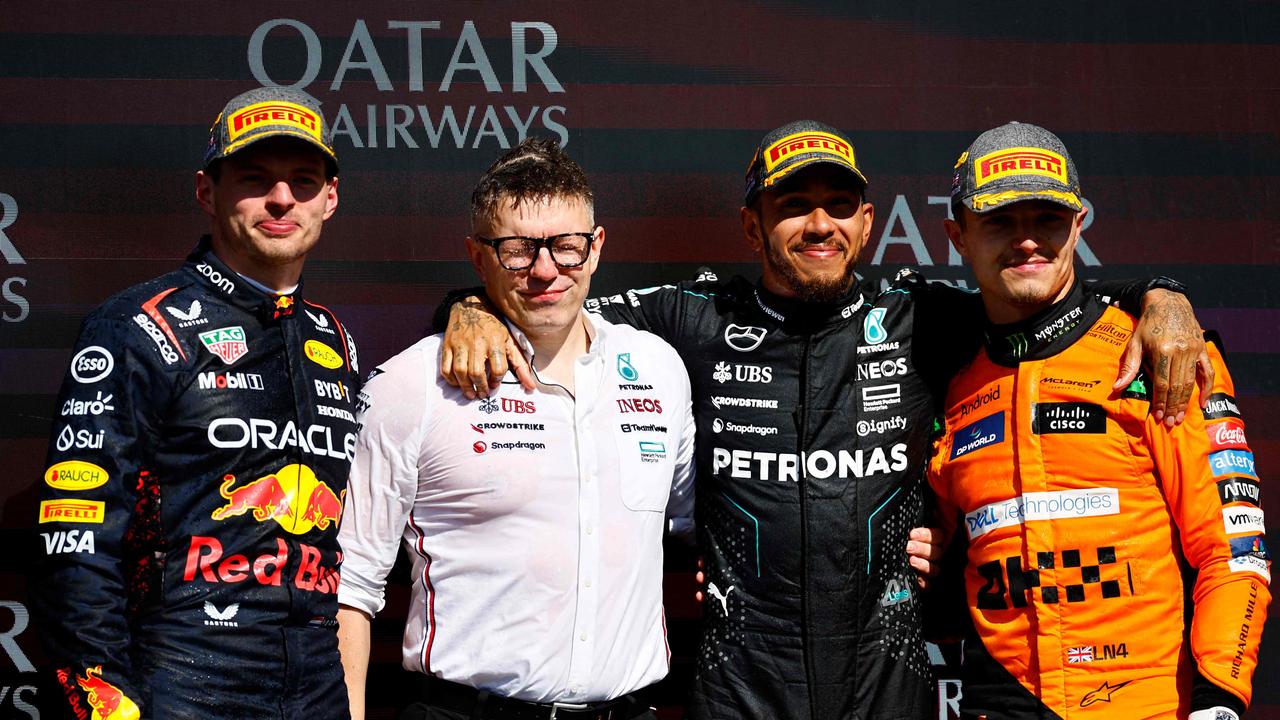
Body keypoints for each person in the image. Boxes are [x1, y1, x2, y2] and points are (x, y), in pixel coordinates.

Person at [435, 121, 1208, 719]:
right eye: (792, 206)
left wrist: (1161, 295)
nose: (818, 224)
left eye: (838, 205)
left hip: (887, 686)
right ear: (750, 226)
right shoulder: (694, 318)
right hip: (740, 686)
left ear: (868, 221)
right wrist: (466, 308)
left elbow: (1042, 298)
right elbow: (548, 307)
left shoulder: (922, 318)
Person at [335, 138, 695, 720]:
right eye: (518, 250)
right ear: (477, 256)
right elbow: (349, 585)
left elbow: (694, 522)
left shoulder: (659, 368)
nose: (546, 270)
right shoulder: (412, 385)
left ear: (597, 247)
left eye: (567, 246)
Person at [30, 87, 361, 719]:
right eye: (255, 179)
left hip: (316, 683)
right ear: (207, 191)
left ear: (330, 198)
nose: (282, 198)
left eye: (303, 180)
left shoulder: (334, 337)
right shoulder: (138, 325)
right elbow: (75, 533)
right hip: (184, 676)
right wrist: (101, 693)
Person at [929, 121, 1269, 719]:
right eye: (1000, 221)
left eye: (1047, 220)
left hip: (1145, 704)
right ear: (958, 235)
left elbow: (1233, 551)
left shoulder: (1165, 353)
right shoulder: (947, 381)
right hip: (998, 703)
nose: (1027, 241)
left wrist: (1220, 702)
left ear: (1079, 225)